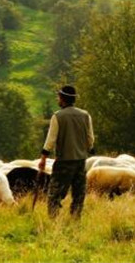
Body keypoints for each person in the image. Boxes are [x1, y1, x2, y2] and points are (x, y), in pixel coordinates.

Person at [39, 85, 95, 218]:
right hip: (81, 161)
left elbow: (50, 140)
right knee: (78, 194)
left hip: (64, 161)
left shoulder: (58, 116)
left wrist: (43, 158)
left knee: (55, 194)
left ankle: (53, 221)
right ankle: (75, 219)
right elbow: (90, 138)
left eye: (58, 96)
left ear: (62, 99)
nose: (57, 99)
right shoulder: (85, 115)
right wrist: (88, 149)